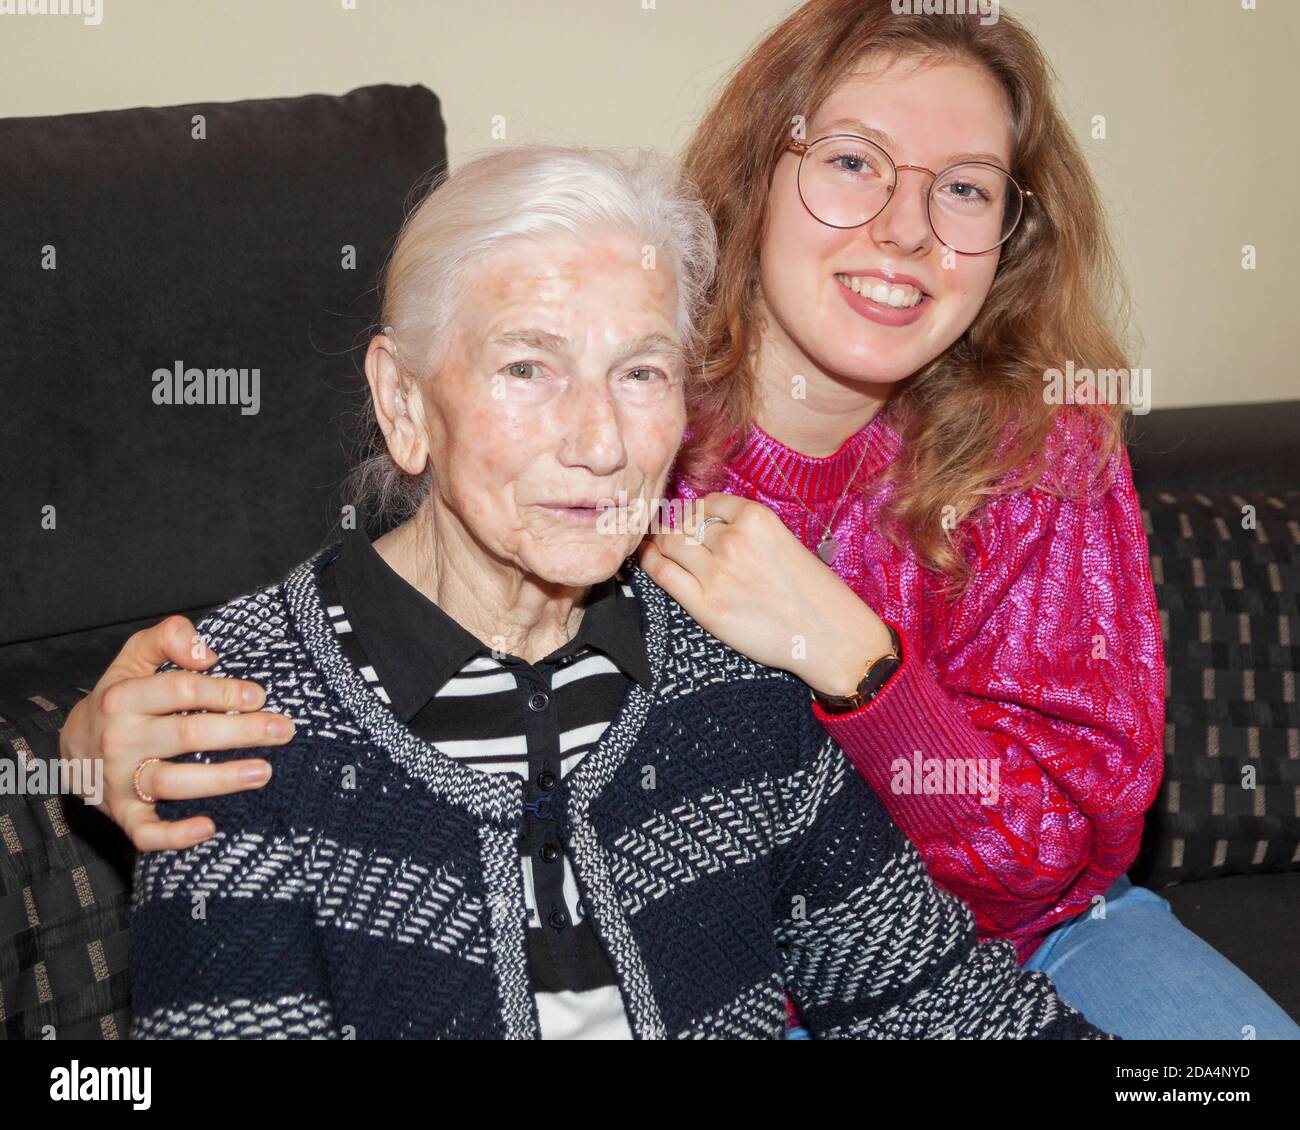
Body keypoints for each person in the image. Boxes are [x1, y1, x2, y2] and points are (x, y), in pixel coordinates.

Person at [65, 0, 1297, 1039]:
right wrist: (90, 732)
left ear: (1008, 235)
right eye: (853, 161)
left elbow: (1024, 887)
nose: (907, 230)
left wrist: (858, 662)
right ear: (760, 178)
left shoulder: (1046, 447)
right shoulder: (633, 425)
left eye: (964, 189)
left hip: (1033, 934)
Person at [128, 145, 1107, 1040]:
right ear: (404, 400)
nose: (599, 441)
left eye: (640, 372)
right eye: (527, 366)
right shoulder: (231, 716)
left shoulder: (732, 661)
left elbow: (930, 993)